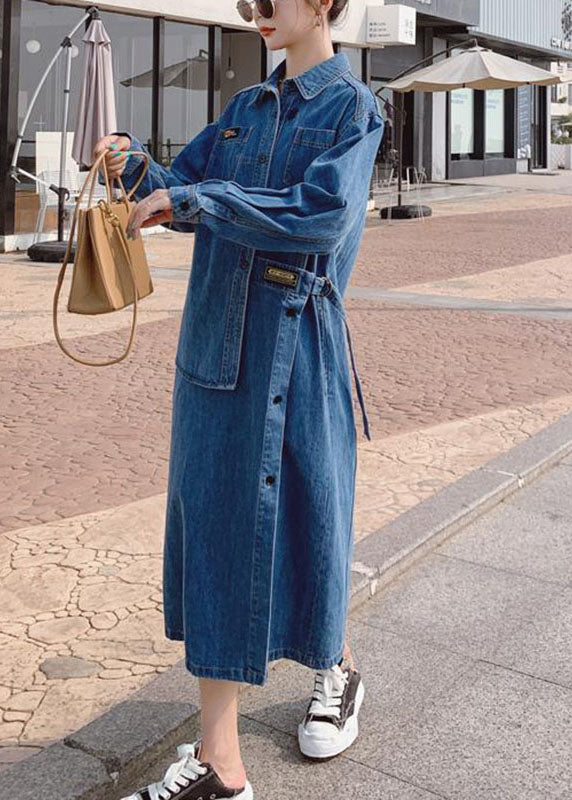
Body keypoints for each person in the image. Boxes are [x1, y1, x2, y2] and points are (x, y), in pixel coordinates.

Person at [92, 1, 384, 797]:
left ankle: (337, 669)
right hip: (217, 342)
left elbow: (322, 217)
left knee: (311, 517)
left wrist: (194, 203)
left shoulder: (354, 108)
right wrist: (137, 170)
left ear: (324, 2)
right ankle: (221, 764)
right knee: (218, 531)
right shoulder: (243, 109)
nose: (258, 10)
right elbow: (183, 188)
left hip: (300, 342)